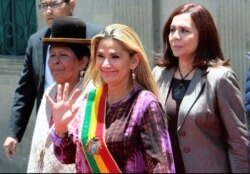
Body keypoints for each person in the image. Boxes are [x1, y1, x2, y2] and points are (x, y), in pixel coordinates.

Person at [46, 24, 175, 173]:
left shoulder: (145, 104)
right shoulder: (90, 100)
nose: (106, 64)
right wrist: (61, 129)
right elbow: (68, 157)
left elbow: (162, 166)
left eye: (115, 57)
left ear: (133, 61)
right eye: (100, 56)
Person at [152, 3, 249, 173]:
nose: (175, 36)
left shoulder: (220, 78)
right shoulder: (159, 74)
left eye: (184, 31)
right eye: (172, 30)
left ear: (203, 36)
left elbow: (238, 143)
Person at [3, 0, 102, 160]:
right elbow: (25, 91)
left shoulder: (96, 36)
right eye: (43, 5)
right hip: (48, 122)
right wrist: (14, 133)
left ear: (71, 4)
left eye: (54, 4)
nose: (48, 11)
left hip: (85, 121)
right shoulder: (35, 41)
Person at [27, 16, 93, 173]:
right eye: (52, 55)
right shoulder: (50, 93)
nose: (55, 61)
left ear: (83, 62)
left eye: (63, 55)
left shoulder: (91, 97)